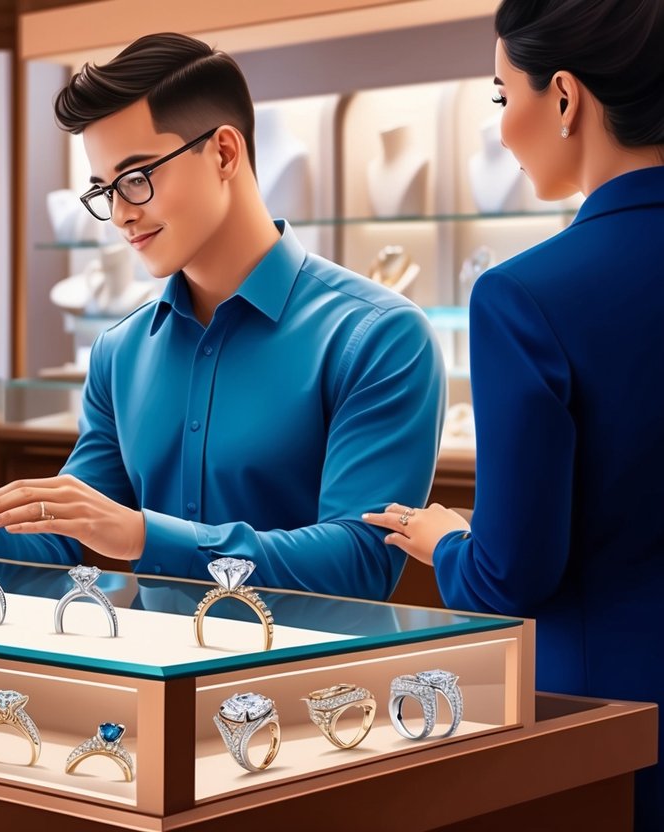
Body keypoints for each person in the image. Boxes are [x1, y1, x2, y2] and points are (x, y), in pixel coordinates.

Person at [0, 33, 446, 601]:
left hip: (316, 705)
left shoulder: (380, 337)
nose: (122, 214)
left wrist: (145, 537)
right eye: (104, 189)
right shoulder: (121, 352)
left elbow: (361, 561)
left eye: (136, 178)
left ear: (225, 153)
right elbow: (64, 546)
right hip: (149, 698)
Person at [362, 1, 664, 826]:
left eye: (501, 97)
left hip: (615, 719)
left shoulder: (526, 296)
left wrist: (443, 540)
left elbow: (510, 573)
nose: (499, 130)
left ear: (564, 98)